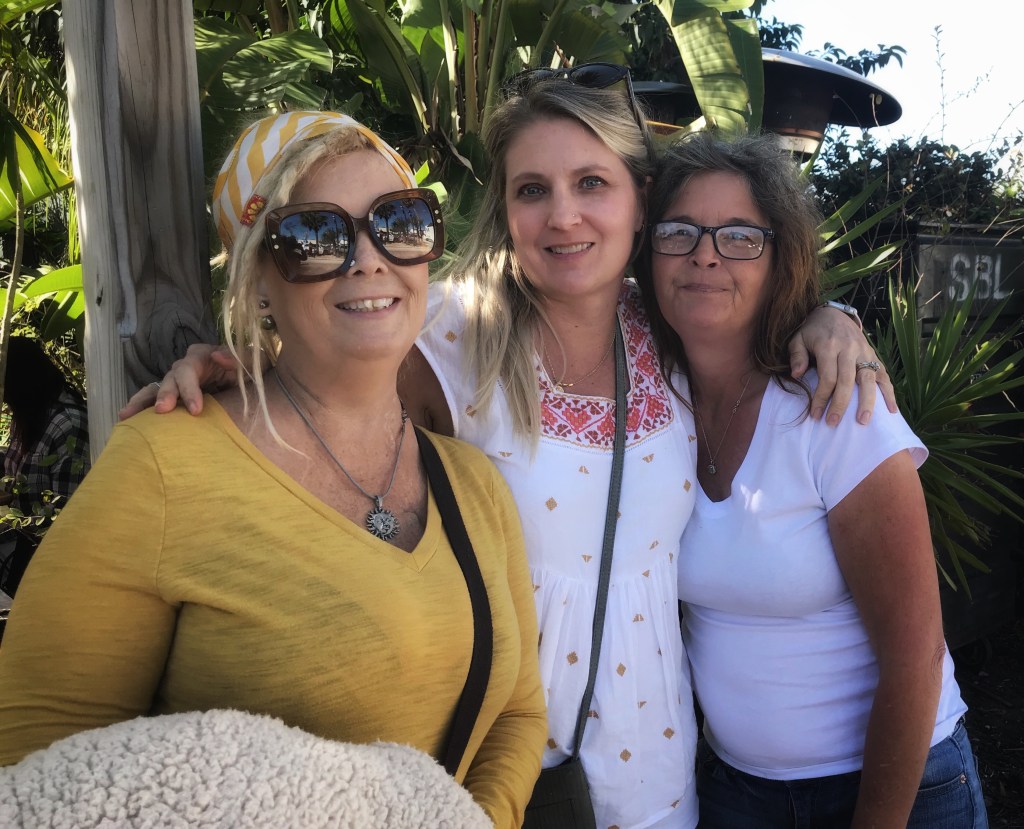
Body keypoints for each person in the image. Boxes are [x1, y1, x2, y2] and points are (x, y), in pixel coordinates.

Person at [121, 69, 891, 829]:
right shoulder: (448, 336)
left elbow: (758, 308)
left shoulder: (669, 326)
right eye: (532, 189)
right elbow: (324, 375)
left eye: (592, 183)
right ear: (505, 207)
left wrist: (831, 318)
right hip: (500, 781)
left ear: (640, 200)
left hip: (661, 781)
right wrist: (235, 371)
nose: (563, 216)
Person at [0, 112, 548, 829]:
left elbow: (517, 714)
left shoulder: (474, 485)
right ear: (258, 279)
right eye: (315, 236)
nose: (368, 259)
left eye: (399, 221)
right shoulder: (163, 467)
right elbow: (37, 773)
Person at [638, 131, 987, 828]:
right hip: (738, 792)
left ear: (780, 262)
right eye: (678, 232)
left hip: (897, 788)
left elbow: (916, 654)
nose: (705, 254)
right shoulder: (653, 399)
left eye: (740, 236)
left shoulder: (837, 408)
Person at [0, 336, 90, 595]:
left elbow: (66, 517)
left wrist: (11, 519)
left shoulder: (69, 425)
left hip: (50, 560)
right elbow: (19, 466)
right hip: (24, 545)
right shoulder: (32, 413)